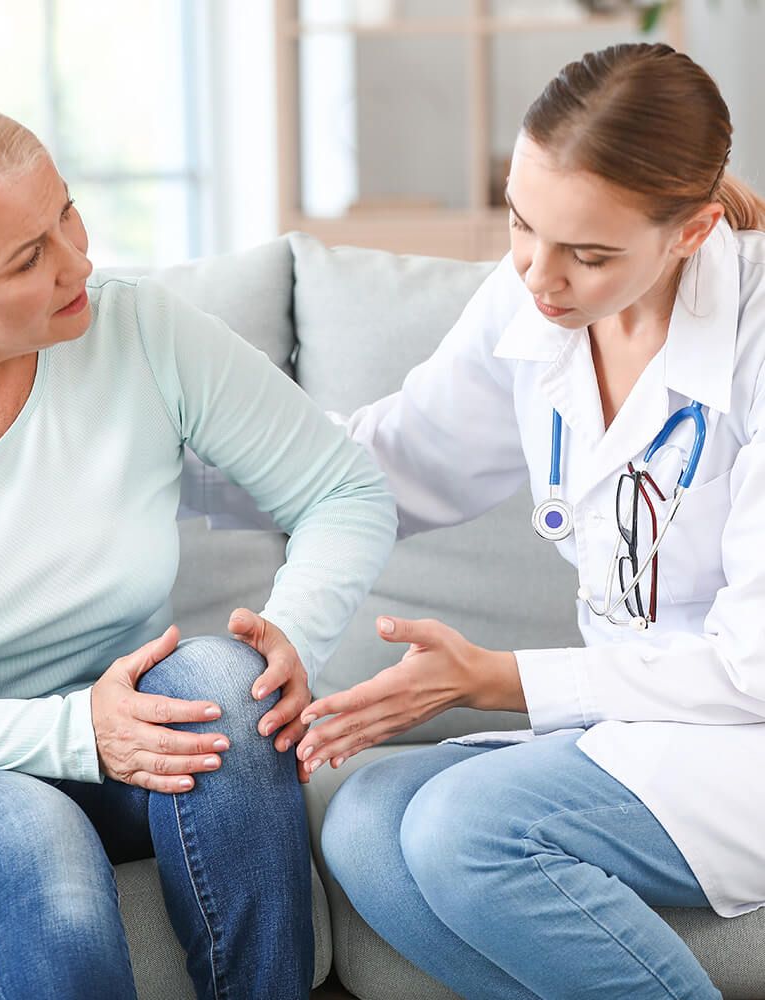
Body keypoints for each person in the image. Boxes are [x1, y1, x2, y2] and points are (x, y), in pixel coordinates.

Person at [0, 98, 398, 1000]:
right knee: (31, 830)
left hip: (114, 739)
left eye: (64, 211)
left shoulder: (138, 330)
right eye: (29, 258)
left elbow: (344, 489)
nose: (80, 262)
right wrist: (77, 733)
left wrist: (294, 629)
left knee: (227, 686)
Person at [299, 43, 765, 999]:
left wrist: (496, 680)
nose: (538, 277)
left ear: (692, 232)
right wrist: (168, 455)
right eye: (521, 223)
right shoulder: (533, 298)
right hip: (640, 717)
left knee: (463, 830)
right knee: (363, 822)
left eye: (589, 255)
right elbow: (403, 460)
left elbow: (751, 667)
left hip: (744, 725)